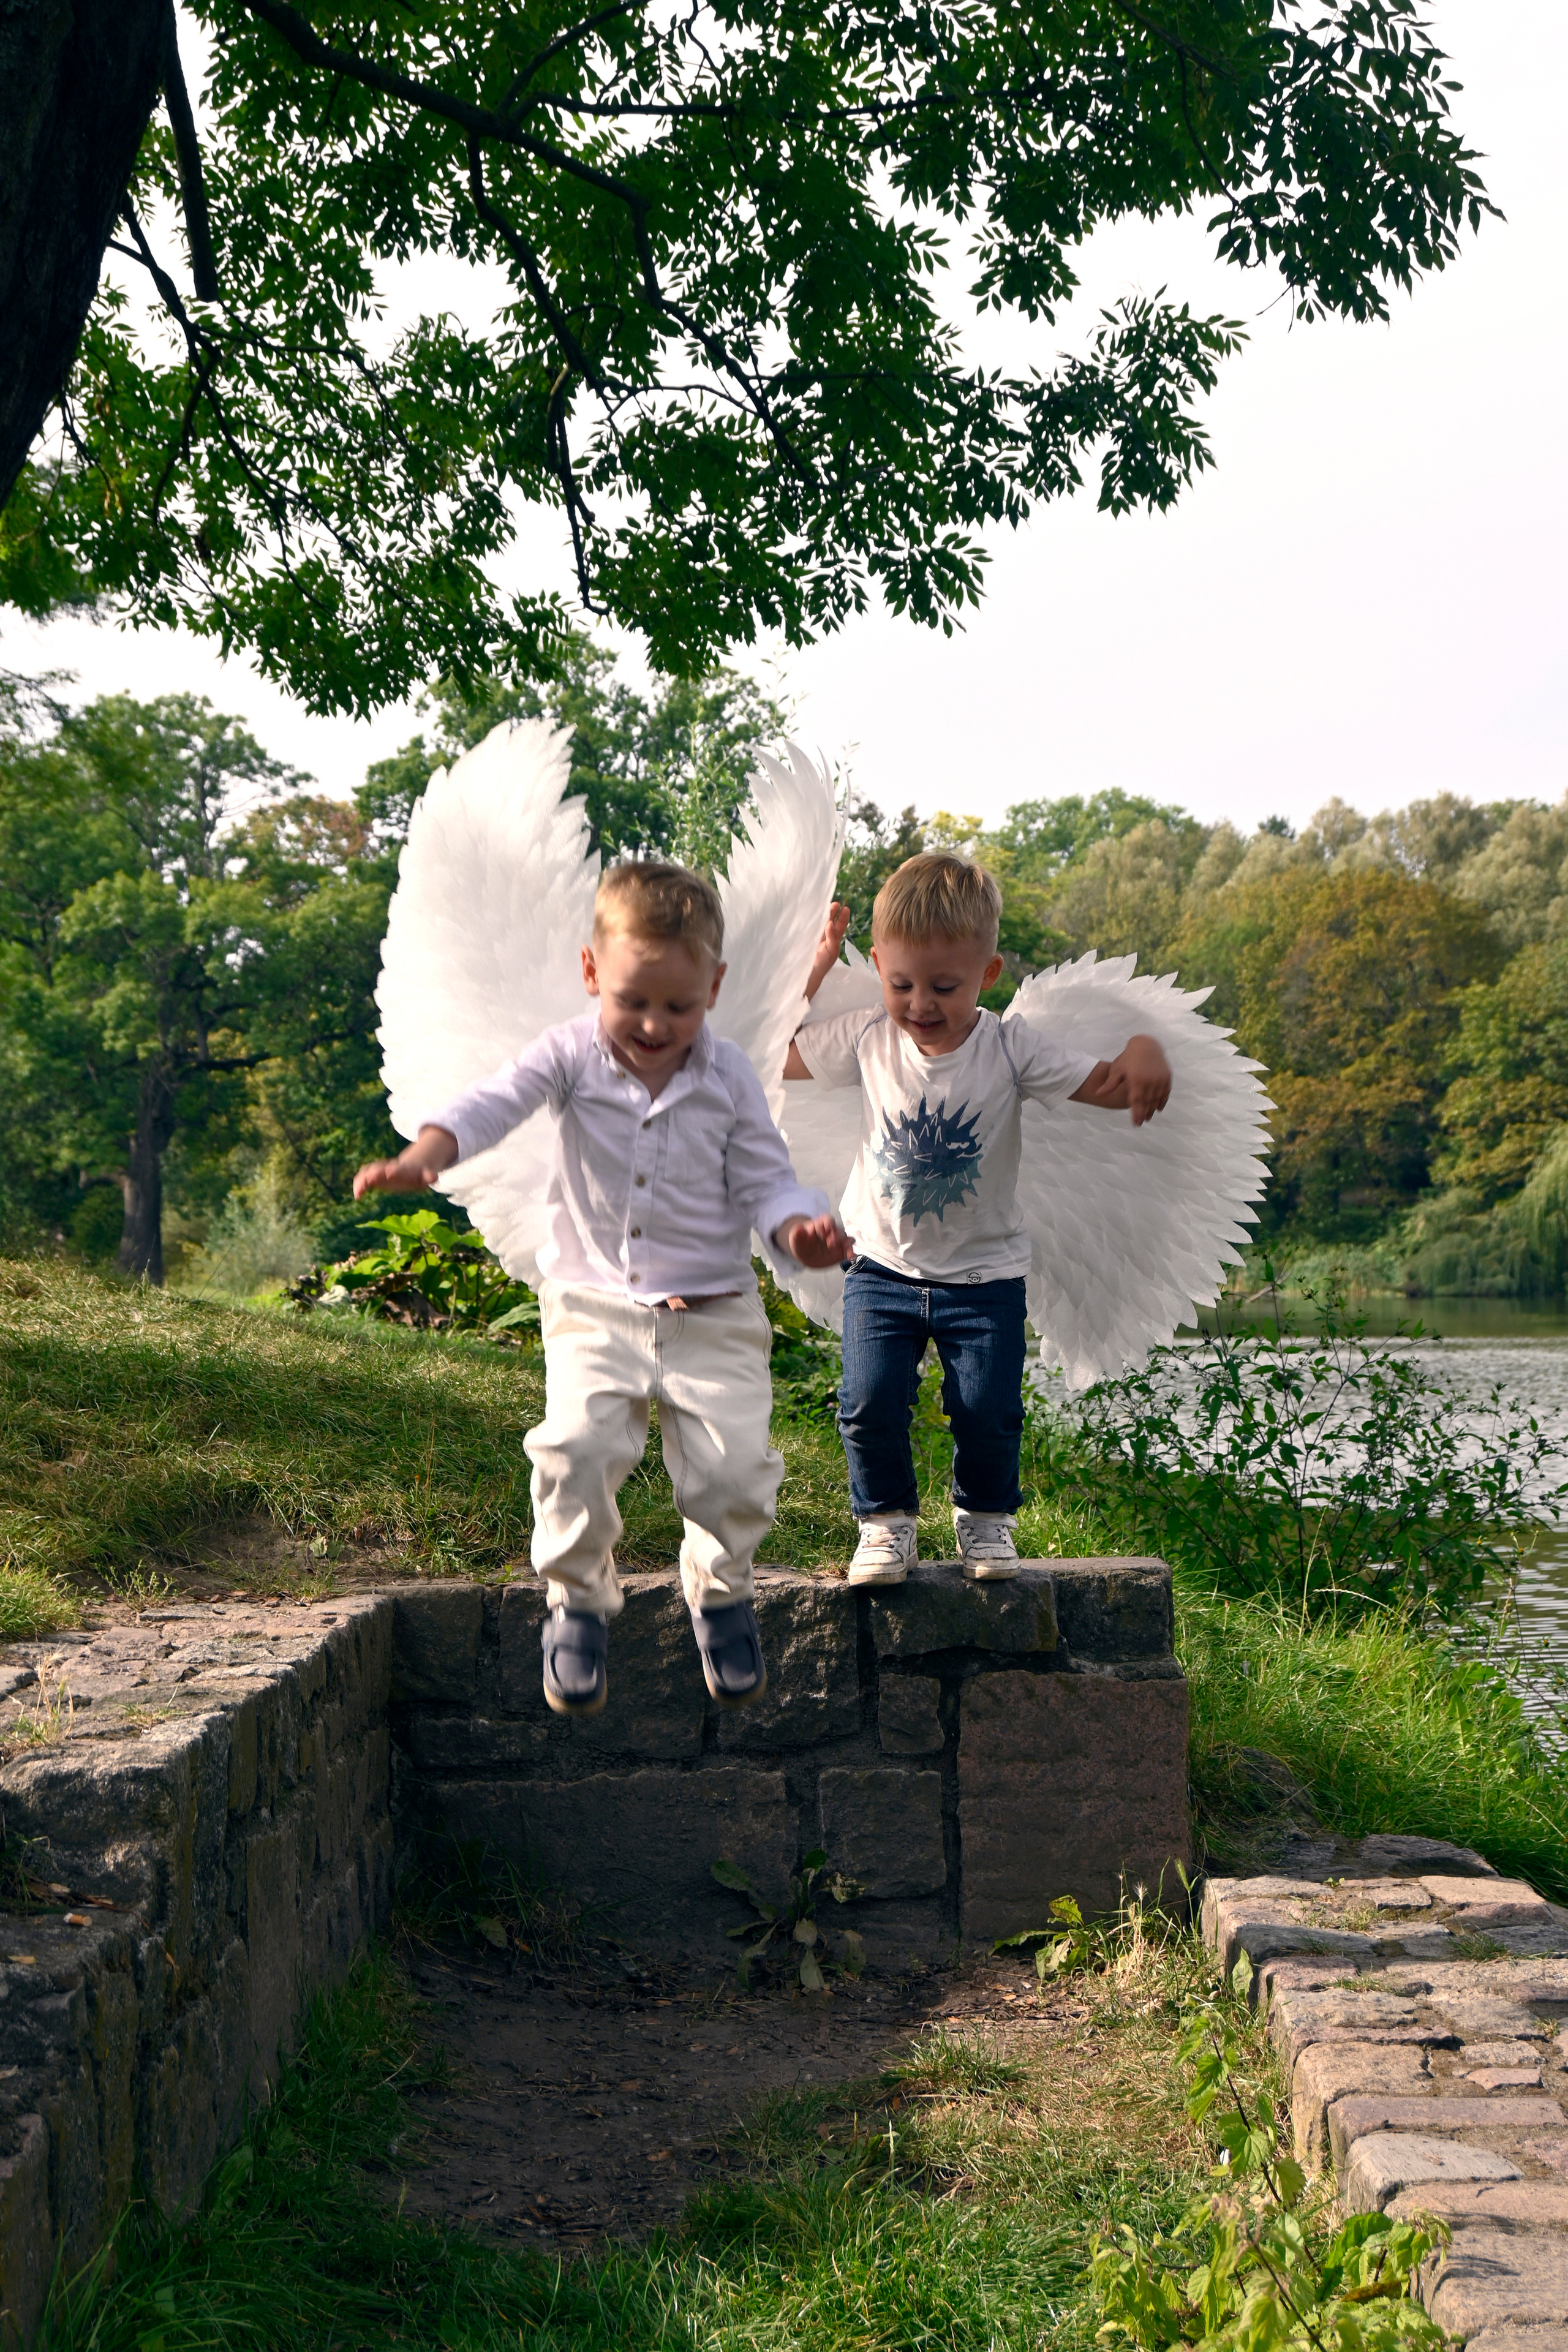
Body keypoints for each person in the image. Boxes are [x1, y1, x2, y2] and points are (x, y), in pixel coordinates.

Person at [356, 858, 850, 1717]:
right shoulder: (568, 1056)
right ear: (592, 973)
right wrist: (427, 1155)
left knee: (734, 1476)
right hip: (593, 1306)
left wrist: (798, 1228)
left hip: (714, 1315)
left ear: (714, 988)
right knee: (575, 1453)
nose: (654, 1025)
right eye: (633, 1001)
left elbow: (767, 1179)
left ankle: (721, 1593)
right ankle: (578, 1602)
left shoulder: (730, 1076)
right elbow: (493, 1102)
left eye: (679, 1006)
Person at [783, 852, 1172, 1588]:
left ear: (986, 974)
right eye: (901, 984)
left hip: (985, 1278)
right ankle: (885, 1524)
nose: (920, 1005)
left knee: (987, 1411)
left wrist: (1144, 1050)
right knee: (867, 1402)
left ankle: (985, 1518)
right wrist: (814, 969)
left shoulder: (1009, 1047)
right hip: (881, 1270)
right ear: (880, 967)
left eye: (944, 987)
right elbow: (772, 1055)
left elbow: (1107, 1084)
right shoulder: (868, 1037)